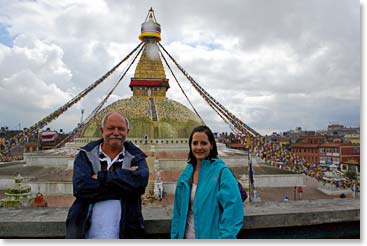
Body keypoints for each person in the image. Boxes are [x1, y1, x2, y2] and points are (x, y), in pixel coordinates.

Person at [65, 112, 149, 239]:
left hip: (127, 233)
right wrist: (125, 185)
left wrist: (99, 177)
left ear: (127, 131)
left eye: (121, 129)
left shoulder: (136, 156)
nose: (116, 132)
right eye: (111, 128)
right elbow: (81, 188)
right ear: (102, 130)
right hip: (86, 234)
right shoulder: (86, 155)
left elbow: (139, 183)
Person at [171, 126, 244, 239]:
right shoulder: (185, 176)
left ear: (211, 145)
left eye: (204, 143)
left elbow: (233, 211)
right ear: (190, 146)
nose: (199, 147)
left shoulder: (222, 173)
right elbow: (178, 213)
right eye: (195, 143)